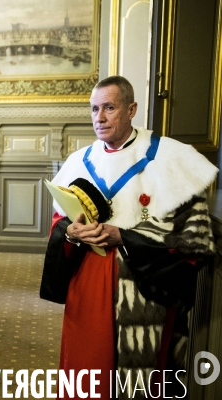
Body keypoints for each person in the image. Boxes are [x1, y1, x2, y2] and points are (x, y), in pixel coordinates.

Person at [40, 76, 218, 398]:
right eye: (95, 109)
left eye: (109, 107)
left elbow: (190, 236)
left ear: (131, 109)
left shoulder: (168, 156)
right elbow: (59, 221)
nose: (100, 117)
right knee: (87, 371)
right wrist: (70, 231)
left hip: (143, 287)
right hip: (89, 281)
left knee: (140, 383)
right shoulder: (80, 161)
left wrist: (124, 235)